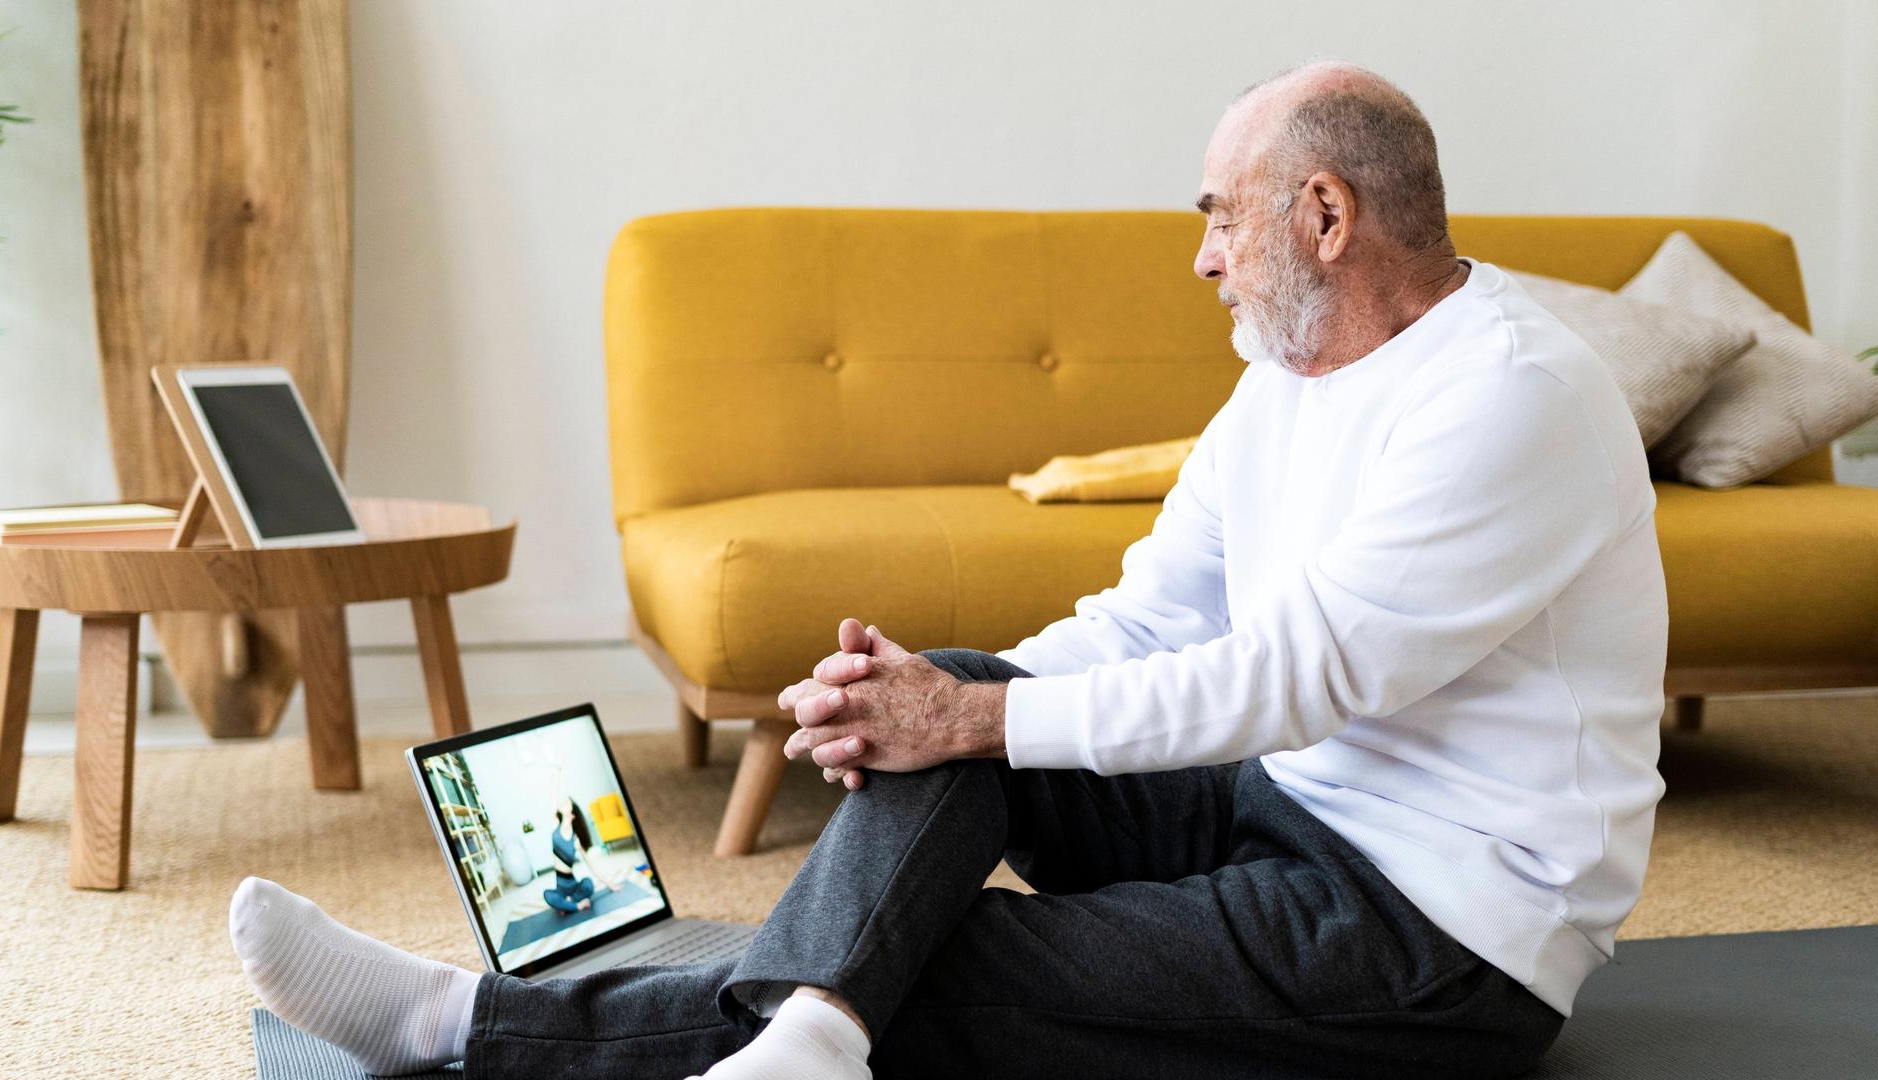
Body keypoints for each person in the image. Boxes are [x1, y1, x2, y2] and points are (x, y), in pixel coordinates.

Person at [226, 59, 1668, 1079]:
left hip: (1433, 934)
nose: (1205, 259)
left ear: (1328, 216)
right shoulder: (1288, 378)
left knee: (945, 956)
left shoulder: (1514, 393)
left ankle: (462, 1026)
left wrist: (970, 723)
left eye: (1221, 215)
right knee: (972, 702)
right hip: (1274, 808)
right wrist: (933, 700)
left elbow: (1301, 678)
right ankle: (808, 1042)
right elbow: (1157, 611)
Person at [542, 796, 601, 914]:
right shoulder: (556, 826)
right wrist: (556, 777)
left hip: (574, 885)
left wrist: (609, 883)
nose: (563, 802)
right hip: (560, 888)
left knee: (588, 884)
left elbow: (590, 864)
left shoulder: (575, 840)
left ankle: (568, 904)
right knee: (547, 895)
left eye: (567, 803)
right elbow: (554, 796)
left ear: (573, 813)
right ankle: (577, 905)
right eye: (563, 802)